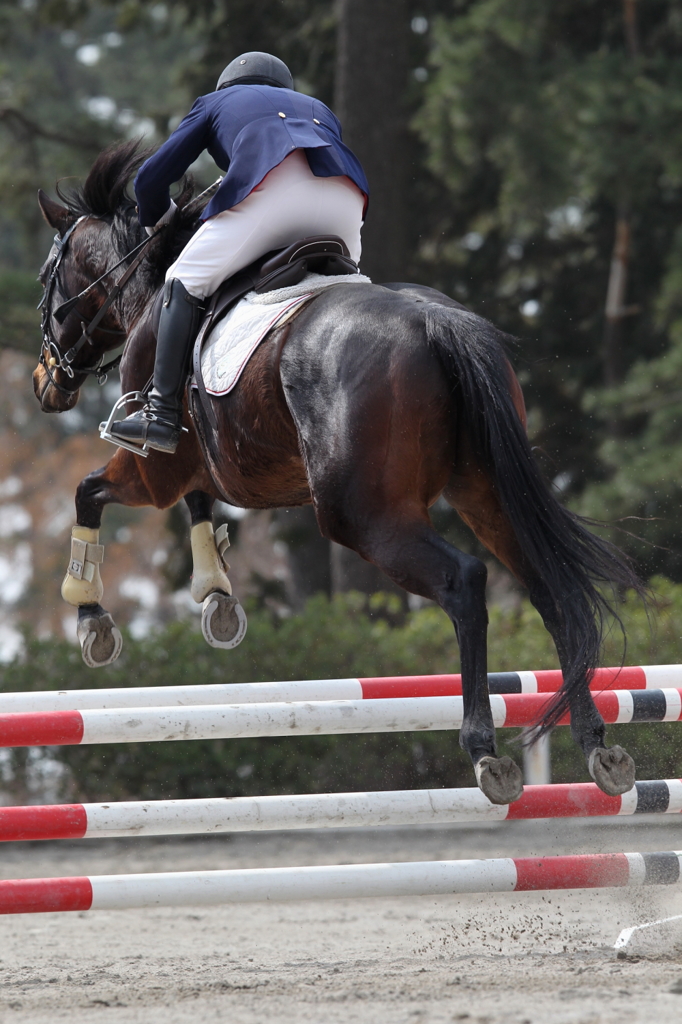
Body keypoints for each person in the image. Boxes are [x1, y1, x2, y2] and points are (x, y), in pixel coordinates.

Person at [110, 51, 369, 454]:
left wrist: (161, 223)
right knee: (352, 294)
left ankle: (160, 414)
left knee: (183, 279)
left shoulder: (214, 103)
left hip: (277, 196)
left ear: (227, 86)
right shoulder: (318, 107)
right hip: (345, 203)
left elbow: (150, 180)